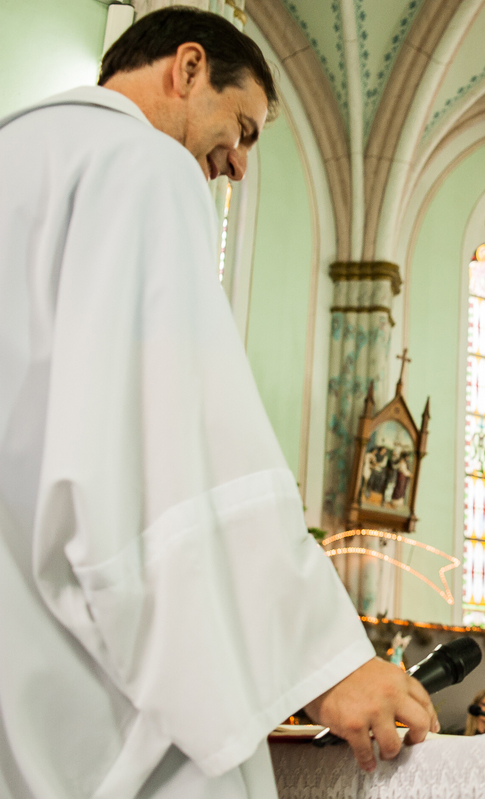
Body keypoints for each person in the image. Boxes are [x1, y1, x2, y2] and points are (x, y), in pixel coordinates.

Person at [0, 8, 436, 797]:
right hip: (91, 681)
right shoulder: (143, 164)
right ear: (189, 67)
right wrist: (325, 661)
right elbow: (172, 441)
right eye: (243, 128)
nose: (236, 164)